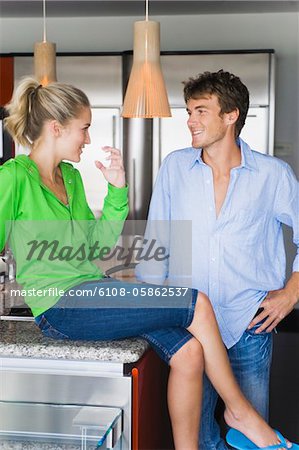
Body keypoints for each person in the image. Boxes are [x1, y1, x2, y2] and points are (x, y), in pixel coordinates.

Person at [0, 76, 296, 450]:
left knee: (189, 352)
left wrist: (117, 189)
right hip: (61, 304)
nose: (88, 139)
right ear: (57, 128)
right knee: (196, 303)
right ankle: (240, 412)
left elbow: (95, 248)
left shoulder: (71, 178)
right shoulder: (12, 177)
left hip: (93, 291)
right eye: (84, 129)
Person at [136, 69, 299, 449]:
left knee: (250, 436)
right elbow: (157, 241)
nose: (189, 120)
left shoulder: (273, 176)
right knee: (199, 439)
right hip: (188, 328)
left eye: (200, 111)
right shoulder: (175, 167)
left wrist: (291, 293)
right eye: (189, 111)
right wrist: (147, 311)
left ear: (231, 116)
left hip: (248, 324)